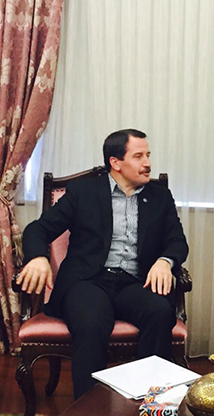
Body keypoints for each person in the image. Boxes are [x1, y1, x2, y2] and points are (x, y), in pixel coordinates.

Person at [17, 128, 189, 397]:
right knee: (92, 319)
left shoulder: (159, 197)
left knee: (160, 312)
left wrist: (165, 262)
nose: (148, 163)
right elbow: (38, 229)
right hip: (87, 281)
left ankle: (150, 403)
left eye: (148, 155)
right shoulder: (83, 192)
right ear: (115, 162)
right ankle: (89, 410)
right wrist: (38, 257)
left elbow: (177, 241)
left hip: (134, 283)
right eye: (139, 156)